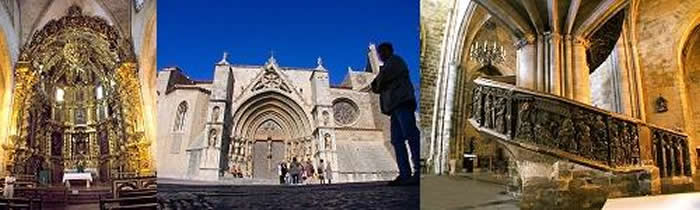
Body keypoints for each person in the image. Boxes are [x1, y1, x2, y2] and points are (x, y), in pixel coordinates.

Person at [370, 42, 420, 186]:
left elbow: (379, 82)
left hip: (402, 102)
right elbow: (375, 86)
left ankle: (418, 171)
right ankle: (404, 173)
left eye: (381, 52)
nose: (380, 55)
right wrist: (378, 82)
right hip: (394, 107)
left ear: (388, 51)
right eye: (379, 53)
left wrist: (379, 81)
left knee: (410, 135)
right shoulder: (386, 66)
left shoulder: (395, 61)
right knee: (397, 141)